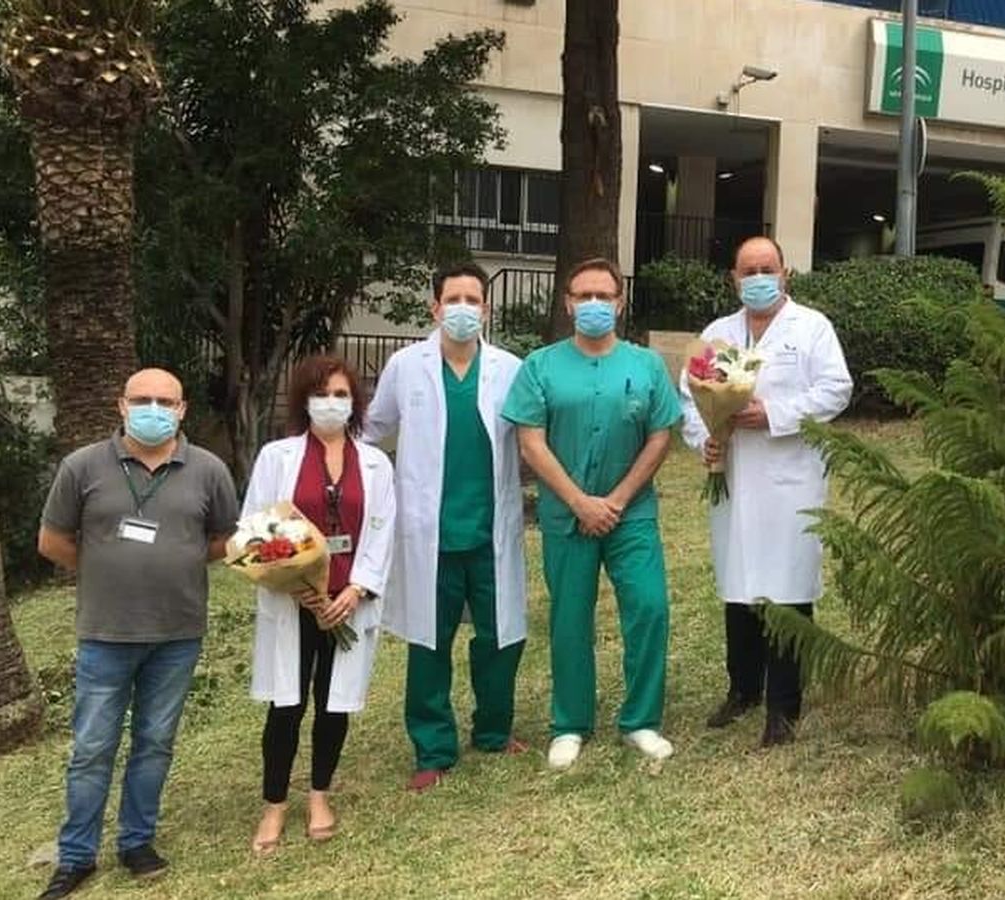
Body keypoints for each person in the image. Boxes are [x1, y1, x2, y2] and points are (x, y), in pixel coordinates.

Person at [35, 369, 238, 899]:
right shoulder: (83, 467)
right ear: (121, 405)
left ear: (183, 410)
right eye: (142, 399)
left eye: (164, 401)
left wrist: (179, 559)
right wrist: (105, 570)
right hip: (105, 632)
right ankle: (76, 855)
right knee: (92, 747)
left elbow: (223, 539)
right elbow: (53, 540)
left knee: (154, 743)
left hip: (177, 632)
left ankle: (136, 841)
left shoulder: (209, 470)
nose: (154, 408)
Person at [502, 257, 681, 770]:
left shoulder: (645, 366)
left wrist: (618, 500)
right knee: (569, 617)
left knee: (649, 608)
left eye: (605, 296)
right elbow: (530, 442)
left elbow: (660, 434)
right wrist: (580, 502)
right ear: (568, 303)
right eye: (585, 296)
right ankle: (570, 723)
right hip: (567, 517)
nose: (594, 305)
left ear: (621, 304)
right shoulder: (541, 365)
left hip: (633, 514)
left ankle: (641, 720)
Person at [679, 236, 853, 747]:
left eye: (767, 268)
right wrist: (705, 438)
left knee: (787, 588)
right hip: (733, 474)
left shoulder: (812, 328)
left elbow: (835, 389)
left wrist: (772, 415)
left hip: (789, 476)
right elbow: (688, 398)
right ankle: (743, 689)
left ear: (785, 273)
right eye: (748, 270)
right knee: (738, 581)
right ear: (733, 279)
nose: (758, 278)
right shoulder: (718, 333)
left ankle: (784, 704)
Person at [364, 261, 529, 792]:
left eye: (473, 300)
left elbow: (532, 436)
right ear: (435, 308)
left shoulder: (509, 368)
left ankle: (494, 729)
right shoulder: (406, 366)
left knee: (500, 636)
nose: (463, 310)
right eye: (452, 300)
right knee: (428, 641)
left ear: (486, 309)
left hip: (490, 528)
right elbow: (373, 432)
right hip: (427, 534)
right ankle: (433, 748)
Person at [243, 356, 395, 853]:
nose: (331, 403)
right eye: (321, 393)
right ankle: (274, 806)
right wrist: (296, 586)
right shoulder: (277, 456)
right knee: (286, 705)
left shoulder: (375, 463)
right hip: (295, 602)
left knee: (335, 704)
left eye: (341, 394)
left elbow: (382, 532)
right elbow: (256, 528)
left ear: (354, 402)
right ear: (303, 400)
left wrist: (356, 591)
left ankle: (319, 795)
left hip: (347, 603)